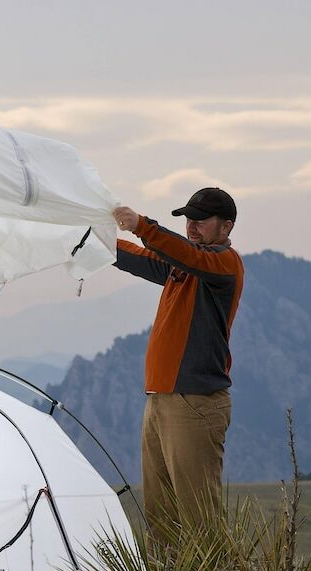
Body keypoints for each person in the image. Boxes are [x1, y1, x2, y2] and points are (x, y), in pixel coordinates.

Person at [111, 187, 244, 539]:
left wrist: (142, 225)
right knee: (161, 516)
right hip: (161, 399)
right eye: (189, 220)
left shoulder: (222, 264)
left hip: (195, 402)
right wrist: (95, 241)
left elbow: (184, 253)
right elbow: (141, 258)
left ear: (225, 228)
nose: (192, 227)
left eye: (201, 221)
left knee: (200, 519)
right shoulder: (183, 266)